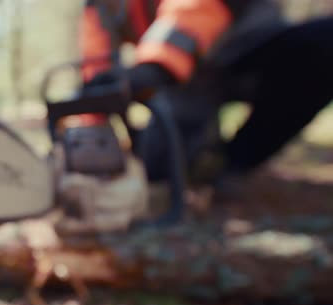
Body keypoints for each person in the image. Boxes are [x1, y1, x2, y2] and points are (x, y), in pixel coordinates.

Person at [78, 0, 333, 185]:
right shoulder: (99, 6)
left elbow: (195, 9)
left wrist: (158, 65)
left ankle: (234, 161)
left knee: (324, 45)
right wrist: (91, 132)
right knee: (162, 169)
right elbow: (96, 65)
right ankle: (204, 160)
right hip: (189, 77)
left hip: (256, 50)